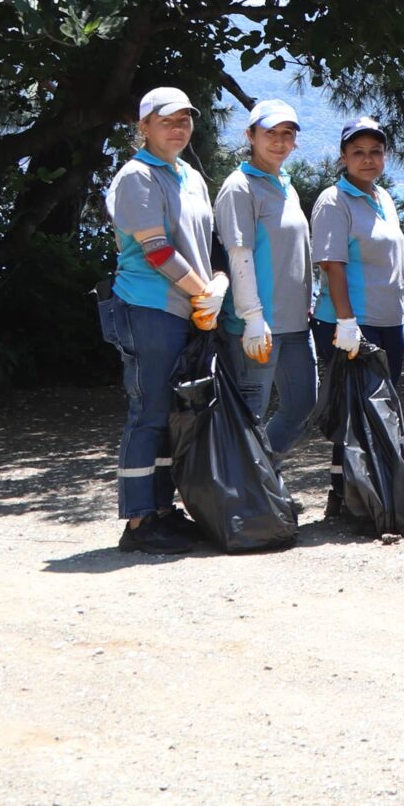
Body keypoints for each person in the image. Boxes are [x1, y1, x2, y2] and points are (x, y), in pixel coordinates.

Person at [103, 87, 224, 554]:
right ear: (144, 126)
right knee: (149, 414)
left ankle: (161, 511)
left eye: (185, 120)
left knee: (172, 418)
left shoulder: (190, 175)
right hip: (149, 308)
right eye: (167, 120)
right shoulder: (136, 176)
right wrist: (203, 293)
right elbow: (156, 250)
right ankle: (137, 522)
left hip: (189, 310)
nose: (178, 128)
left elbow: (206, 245)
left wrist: (217, 288)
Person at [215, 98, 317, 460]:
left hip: (293, 324)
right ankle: (239, 503)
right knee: (248, 417)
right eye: (269, 133)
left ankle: (260, 483)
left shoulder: (283, 184)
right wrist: (252, 317)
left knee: (302, 405)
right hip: (255, 326)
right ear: (250, 135)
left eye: (286, 134)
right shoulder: (240, 186)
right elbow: (238, 254)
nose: (278, 141)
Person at [313, 117, 404, 381]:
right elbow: (332, 264)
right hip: (352, 322)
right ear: (344, 157)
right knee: (357, 412)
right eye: (358, 152)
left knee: (382, 409)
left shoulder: (384, 197)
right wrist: (346, 322)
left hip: (389, 321)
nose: (368, 159)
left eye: (375, 152)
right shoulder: (334, 200)